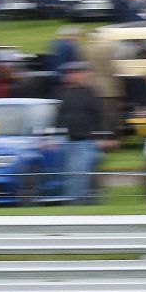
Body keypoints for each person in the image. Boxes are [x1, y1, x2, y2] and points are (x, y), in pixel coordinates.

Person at [54, 63, 111, 205]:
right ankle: (79, 201)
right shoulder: (61, 93)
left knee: (79, 172)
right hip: (67, 140)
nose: (75, 76)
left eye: (77, 73)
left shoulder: (91, 93)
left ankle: (76, 202)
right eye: (71, 73)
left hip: (85, 141)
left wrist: (101, 137)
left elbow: (100, 116)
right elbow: (57, 118)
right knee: (72, 173)